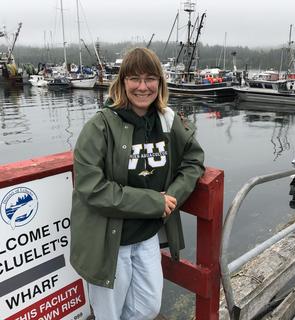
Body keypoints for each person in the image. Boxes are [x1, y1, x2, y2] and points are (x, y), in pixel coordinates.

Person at [70, 47, 205, 320]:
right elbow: (91, 187)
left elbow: (194, 160)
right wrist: (154, 202)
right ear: (122, 83)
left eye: (150, 78)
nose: (143, 87)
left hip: (147, 236)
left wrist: (172, 198)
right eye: (134, 79)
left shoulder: (167, 120)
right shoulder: (100, 126)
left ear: (160, 82)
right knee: (109, 314)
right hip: (110, 241)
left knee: (147, 308)